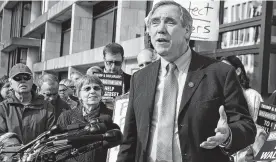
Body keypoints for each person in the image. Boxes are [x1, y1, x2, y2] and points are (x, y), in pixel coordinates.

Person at [117, 1, 256, 162]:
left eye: (170, 22)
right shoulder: (140, 78)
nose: (160, 29)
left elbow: (247, 127)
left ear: (187, 31)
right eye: (155, 22)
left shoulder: (220, 73)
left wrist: (228, 135)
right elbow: (129, 140)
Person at [57, 75, 115, 162]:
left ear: (102, 92)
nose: (92, 91)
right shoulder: (66, 116)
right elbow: (58, 148)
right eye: (87, 89)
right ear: (79, 94)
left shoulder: (112, 116)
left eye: (96, 88)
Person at [221, 56, 266, 162]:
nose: (222, 73)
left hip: (249, 153)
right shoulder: (219, 96)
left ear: (238, 71)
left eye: (226, 68)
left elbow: (262, 127)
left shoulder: (253, 95)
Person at [0, 63, 55, 144]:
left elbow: (52, 135)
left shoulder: (47, 106)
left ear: (32, 81)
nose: (22, 81)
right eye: (17, 78)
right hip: (12, 155)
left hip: (38, 154)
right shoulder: (3, 108)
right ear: (11, 83)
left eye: (26, 77)